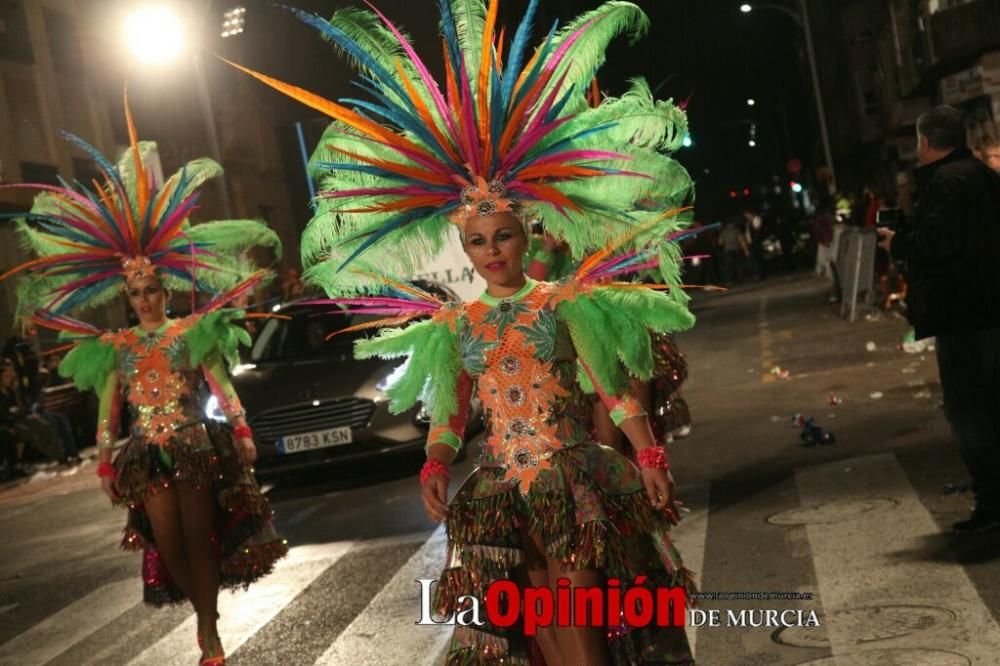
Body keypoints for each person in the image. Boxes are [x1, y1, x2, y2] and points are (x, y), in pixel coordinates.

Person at [232, 2, 697, 663]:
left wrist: (648, 456)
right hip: (504, 494)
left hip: (575, 483)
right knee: (550, 636)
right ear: (464, 245)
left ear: (526, 232)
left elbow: (611, 390)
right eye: (477, 241)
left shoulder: (566, 305)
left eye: (503, 235)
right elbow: (450, 413)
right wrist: (436, 461)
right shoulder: (455, 325)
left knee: (587, 638)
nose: (491, 251)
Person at [1, 100, 286, 665]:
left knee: (200, 538)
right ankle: (206, 616)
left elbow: (220, 383)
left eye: (152, 288)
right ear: (126, 298)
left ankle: (208, 632)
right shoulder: (117, 348)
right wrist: (105, 463)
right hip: (144, 455)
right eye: (136, 293)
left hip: (195, 447)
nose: (145, 297)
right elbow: (109, 412)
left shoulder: (188, 332)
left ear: (164, 287)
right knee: (169, 541)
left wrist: (243, 428)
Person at [878, 105, 1000, 533]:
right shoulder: (982, 175)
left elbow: (940, 244)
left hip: (963, 315)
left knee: (970, 411)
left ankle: (991, 502)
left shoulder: (947, 183)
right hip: (988, 309)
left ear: (927, 143)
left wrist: (899, 242)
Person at [719, 219, 749, 284]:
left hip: (728, 251)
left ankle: (732, 280)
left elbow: (720, 242)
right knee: (738, 265)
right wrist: (745, 249)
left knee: (730, 267)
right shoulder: (736, 231)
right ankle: (740, 280)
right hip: (736, 250)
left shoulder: (723, 232)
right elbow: (741, 241)